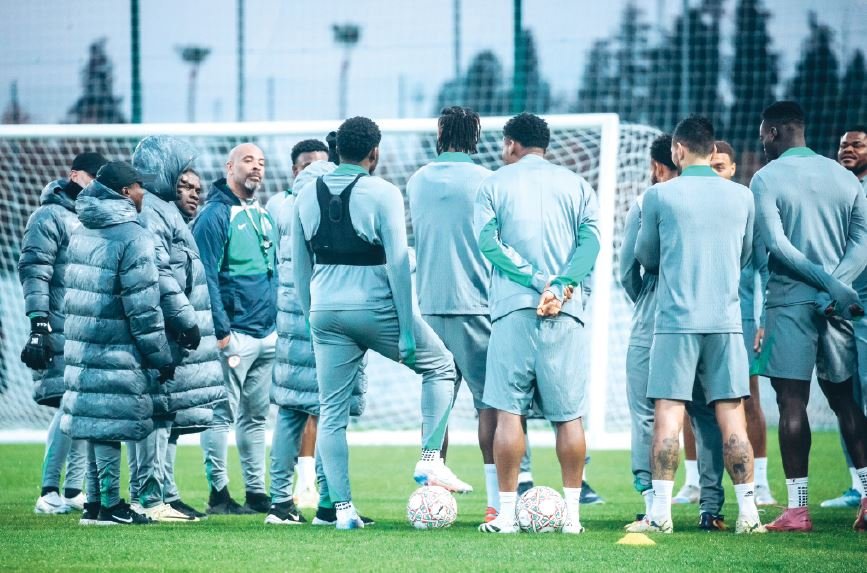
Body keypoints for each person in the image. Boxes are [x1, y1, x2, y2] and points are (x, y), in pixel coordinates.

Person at [293, 116, 458, 529]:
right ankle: (429, 459)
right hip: (375, 307)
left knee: (331, 412)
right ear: (374, 152)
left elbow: (299, 268)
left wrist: (311, 318)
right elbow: (399, 264)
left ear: (336, 151)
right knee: (441, 366)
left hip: (325, 311)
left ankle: (341, 511)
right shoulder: (384, 192)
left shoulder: (305, 195)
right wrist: (406, 329)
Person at [636, 115, 764, 534]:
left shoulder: (659, 195)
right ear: (712, 152)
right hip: (726, 323)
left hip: (676, 322)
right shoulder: (742, 196)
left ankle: (661, 515)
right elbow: (746, 255)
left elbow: (647, 257)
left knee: (668, 416)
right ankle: (749, 515)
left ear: (677, 150)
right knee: (732, 417)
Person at [476, 113, 600, 535]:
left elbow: (489, 243)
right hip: (565, 310)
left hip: (514, 309)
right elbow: (591, 244)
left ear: (511, 144)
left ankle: (506, 517)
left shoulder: (493, 184)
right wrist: (561, 286)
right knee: (569, 417)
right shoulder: (578, 185)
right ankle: (573, 519)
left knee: (509, 412)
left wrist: (537, 281)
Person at [753, 101, 867, 532]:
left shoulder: (766, 178)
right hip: (836, 304)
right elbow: (862, 242)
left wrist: (821, 282)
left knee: (791, 402)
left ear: (774, 132)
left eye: (763, 136)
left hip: (789, 302)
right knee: (846, 402)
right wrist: (836, 284)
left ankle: (798, 510)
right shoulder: (844, 177)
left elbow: (777, 245)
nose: (762, 144)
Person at [620, 134, 727, 532]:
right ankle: (711, 508)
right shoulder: (723, 199)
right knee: (706, 413)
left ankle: (653, 506)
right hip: (711, 316)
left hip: (656, 317)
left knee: (647, 413)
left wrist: (648, 300)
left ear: (657, 166)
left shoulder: (646, 201)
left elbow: (628, 270)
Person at [61, 161, 174, 525]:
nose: (144, 193)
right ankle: (111, 505)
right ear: (125, 192)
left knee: (95, 422)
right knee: (109, 422)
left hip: (82, 342)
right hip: (117, 344)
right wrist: (160, 355)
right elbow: (143, 306)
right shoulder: (133, 235)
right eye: (140, 187)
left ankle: (94, 505)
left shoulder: (82, 228)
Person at [132, 137, 226, 521]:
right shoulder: (153, 214)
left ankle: (164, 493)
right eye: (185, 185)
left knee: (168, 416)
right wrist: (185, 320)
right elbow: (159, 274)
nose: (194, 193)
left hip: (173, 334)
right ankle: (149, 498)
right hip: (163, 332)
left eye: (197, 188)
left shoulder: (167, 214)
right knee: (156, 415)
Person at [407, 106, 489, 517]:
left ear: (439, 134)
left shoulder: (417, 181)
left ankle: (432, 491)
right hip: (477, 304)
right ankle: (500, 500)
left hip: (429, 306)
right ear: (476, 136)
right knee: (491, 405)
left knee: (437, 401)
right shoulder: (488, 181)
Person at [192, 143, 278, 515]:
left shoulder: (262, 213)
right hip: (234, 334)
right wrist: (221, 331)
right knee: (220, 415)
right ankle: (219, 494)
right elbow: (205, 277)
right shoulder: (214, 215)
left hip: (266, 333)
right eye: (248, 161)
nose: (256, 167)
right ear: (230, 166)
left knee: (256, 417)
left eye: (261, 162)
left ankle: (256, 494)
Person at [18, 152, 106, 516]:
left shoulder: (94, 219)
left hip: (87, 330)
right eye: (92, 176)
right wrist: (39, 323)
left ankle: (71, 490)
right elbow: (34, 269)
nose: (97, 184)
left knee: (83, 408)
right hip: (59, 326)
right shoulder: (49, 216)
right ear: (74, 175)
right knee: (70, 406)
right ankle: (48, 491)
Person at [268, 138, 331, 510]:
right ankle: (330, 501)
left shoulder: (284, 207)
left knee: (292, 411)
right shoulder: (323, 207)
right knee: (326, 411)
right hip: (318, 321)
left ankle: (280, 502)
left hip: (291, 322)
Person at [822, 127, 867, 510]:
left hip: (860, 305)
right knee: (845, 396)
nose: (847, 150)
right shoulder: (839, 191)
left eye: (857, 144)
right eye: (843, 145)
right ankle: (858, 486)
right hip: (840, 308)